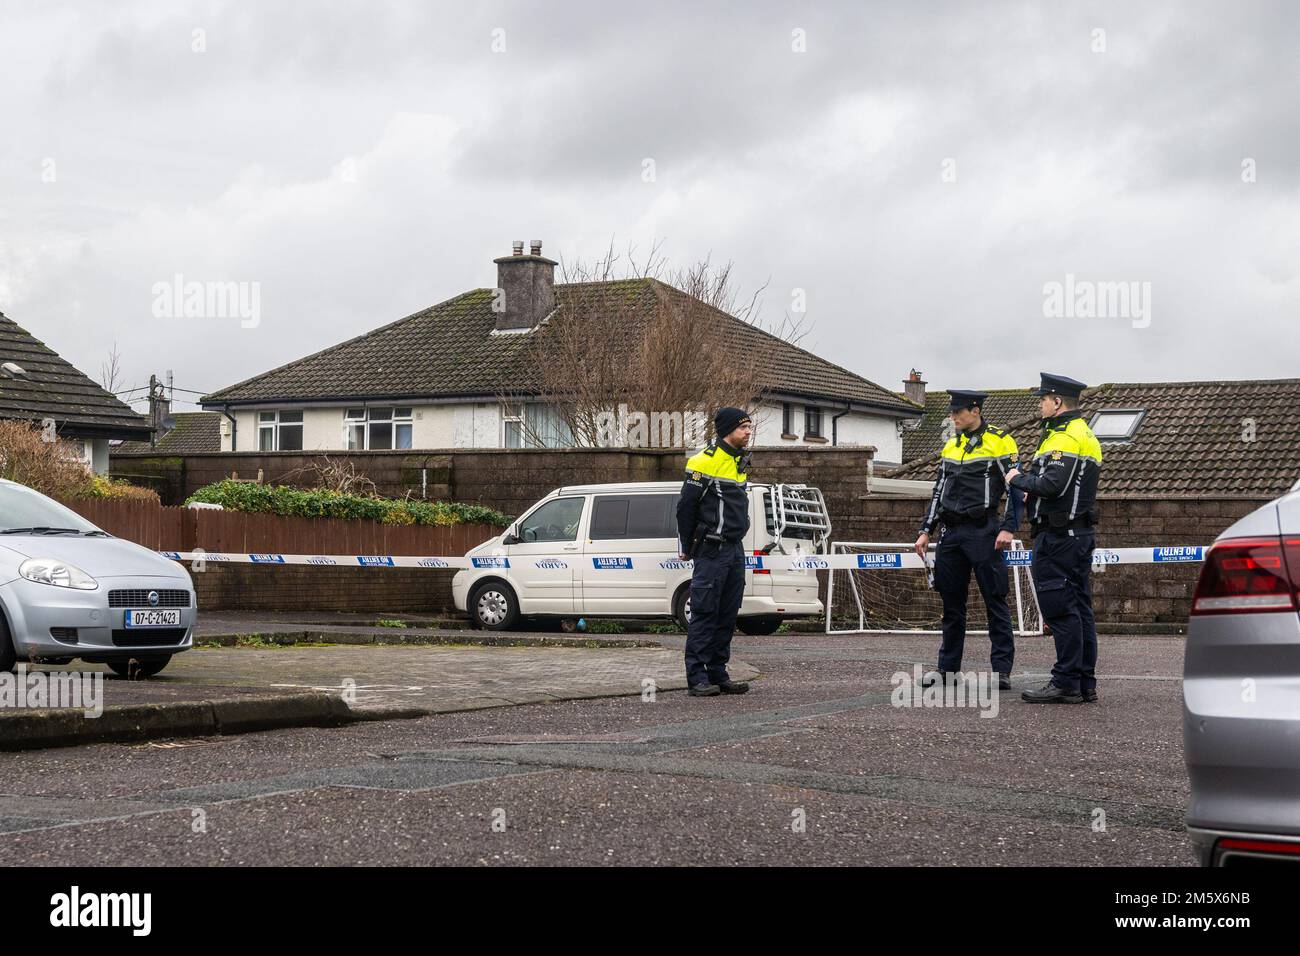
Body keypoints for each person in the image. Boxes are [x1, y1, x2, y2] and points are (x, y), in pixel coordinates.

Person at [914, 390, 1023, 691]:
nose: (953, 417)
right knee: (951, 604)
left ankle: (1001, 670)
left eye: (958, 412)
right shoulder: (951, 445)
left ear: (975, 411)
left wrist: (1009, 528)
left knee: (995, 600)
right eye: (952, 412)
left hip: (984, 530)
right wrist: (926, 530)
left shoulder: (1000, 441)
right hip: (951, 533)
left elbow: (1016, 490)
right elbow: (938, 491)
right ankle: (948, 669)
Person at [1005, 373, 1103, 704]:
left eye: (1043, 399)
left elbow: (1051, 486)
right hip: (1076, 534)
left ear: (1057, 401)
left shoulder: (1065, 437)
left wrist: (1017, 477)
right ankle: (1083, 680)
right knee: (1079, 607)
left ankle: (1066, 681)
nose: (1039, 404)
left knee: (1061, 609)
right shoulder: (1083, 433)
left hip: (1059, 536)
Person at [676, 406, 753, 697]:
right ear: (728, 430)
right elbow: (686, 508)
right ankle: (696, 677)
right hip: (711, 548)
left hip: (734, 549)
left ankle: (718, 673)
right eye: (743, 427)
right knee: (706, 612)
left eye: (749, 426)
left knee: (728, 613)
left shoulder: (738, 462)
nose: (748, 432)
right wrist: (686, 545)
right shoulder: (703, 461)